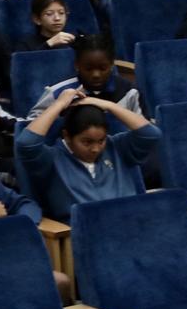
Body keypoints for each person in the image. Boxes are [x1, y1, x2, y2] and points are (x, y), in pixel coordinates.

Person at [17, 91, 161, 221]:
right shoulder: (51, 159)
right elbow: (26, 143)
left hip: (131, 223)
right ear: (67, 136)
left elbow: (151, 134)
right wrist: (58, 105)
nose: (95, 149)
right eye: (87, 142)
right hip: (85, 234)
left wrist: (110, 106)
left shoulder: (117, 147)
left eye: (101, 140)